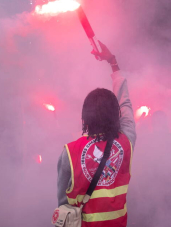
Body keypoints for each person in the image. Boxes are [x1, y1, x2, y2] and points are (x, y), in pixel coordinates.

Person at [57, 41, 136, 227]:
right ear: (115, 114)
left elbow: (63, 205)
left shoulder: (70, 152)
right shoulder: (126, 142)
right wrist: (113, 62)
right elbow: (125, 103)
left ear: (85, 117)